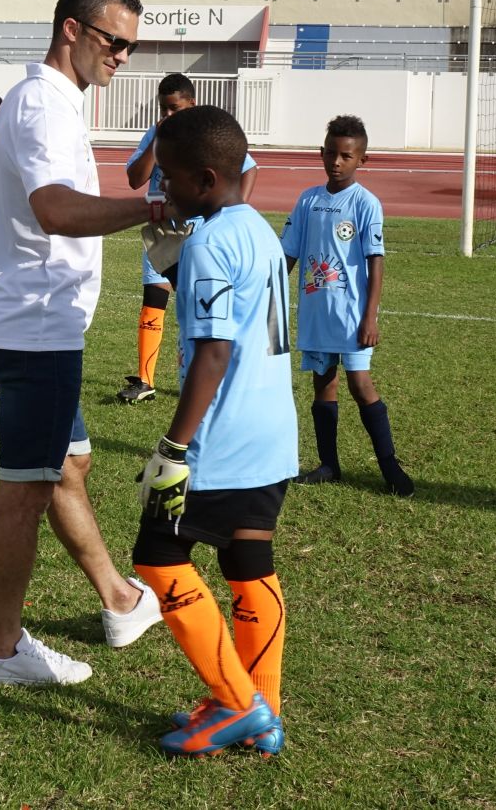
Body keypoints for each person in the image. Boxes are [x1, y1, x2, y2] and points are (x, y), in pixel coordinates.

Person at [0, 0, 166, 686]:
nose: (124, 56)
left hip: (33, 321)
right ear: (74, 30)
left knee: (69, 464)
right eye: (116, 41)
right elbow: (54, 209)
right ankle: (2, 650)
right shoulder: (44, 107)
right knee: (27, 484)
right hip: (34, 327)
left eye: (131, 46)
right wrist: (148, 210)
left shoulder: (50, 102)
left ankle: (118, 598)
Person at [129, 104, 295, 758]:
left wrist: (173, 446)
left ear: (203, 179)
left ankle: (236, 703)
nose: (160, 188)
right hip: (272, 434)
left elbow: (214, 353)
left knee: (157, 556)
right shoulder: (256, 229)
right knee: (248, 561)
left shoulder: (209, 241)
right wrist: (175, 264)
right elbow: (267, 331)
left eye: (167, 177)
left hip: (219, 443)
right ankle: (266, 709)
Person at [281, 115, 414, 496]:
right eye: (330, 153)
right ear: (321, 153)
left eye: (345, 156)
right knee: (323, 385)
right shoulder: (308, 199)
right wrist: (266, 291)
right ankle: (328, 464)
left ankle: (390, 467)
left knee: (360, 384)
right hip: (316, 312)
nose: (336, 162)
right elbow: (287, 255)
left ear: (362, 160)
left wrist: (370, 317)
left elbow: (376, 260)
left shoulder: (366, 203)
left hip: (352, 315)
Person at [118, 73, 258, 403]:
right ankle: (145, 380)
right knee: (154, 299)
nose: (168, 116)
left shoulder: (207, 134)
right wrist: (157, 142)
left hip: (200, 232)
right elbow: (134, 179)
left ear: (191, 105)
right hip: (163, 230)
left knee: (201, 306)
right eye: (163, 109)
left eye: (174, 109)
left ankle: (205, 377)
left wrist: (233, 211)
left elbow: (249, 168)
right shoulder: (155, 133)